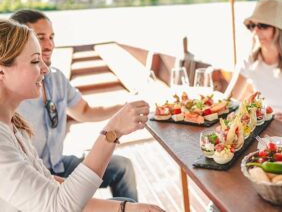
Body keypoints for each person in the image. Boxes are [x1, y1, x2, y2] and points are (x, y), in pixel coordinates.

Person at [0, 18, 164, 211]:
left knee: (127, 191)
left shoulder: (15, 128)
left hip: (58, 180)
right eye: (35, 61)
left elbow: (51, 187)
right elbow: (58, 206)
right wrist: (111, 132)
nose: (45, 69)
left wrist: (126, 208)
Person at [227, 0, 282, 121]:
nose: (255, 31)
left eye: (263, 25)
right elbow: (230, 101)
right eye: (252, 25)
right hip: (259, 126)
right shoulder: (248, 60)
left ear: (279, 30)